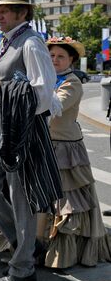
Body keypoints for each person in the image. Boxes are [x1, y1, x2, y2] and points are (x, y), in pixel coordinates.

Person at [0, 0, 62, 281]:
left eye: (5, 10)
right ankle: (23, 244)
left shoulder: (32, 44)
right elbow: (5, 88)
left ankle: (23, 268)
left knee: (21, 199)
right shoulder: (6, 43)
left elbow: (44, 95)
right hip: (0, 127)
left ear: (23, 13)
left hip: (20, 131)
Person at [36, 37, 111, 268]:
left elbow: (55, 106)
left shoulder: (72, 82)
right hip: (43, 144)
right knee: (42, 198)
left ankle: (65, 251)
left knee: (68, 201)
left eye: (61, 56)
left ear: (72, 60)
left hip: (65, 147)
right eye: (51, 56)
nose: (55, 60)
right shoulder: (42, 79)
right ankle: (38, 243)